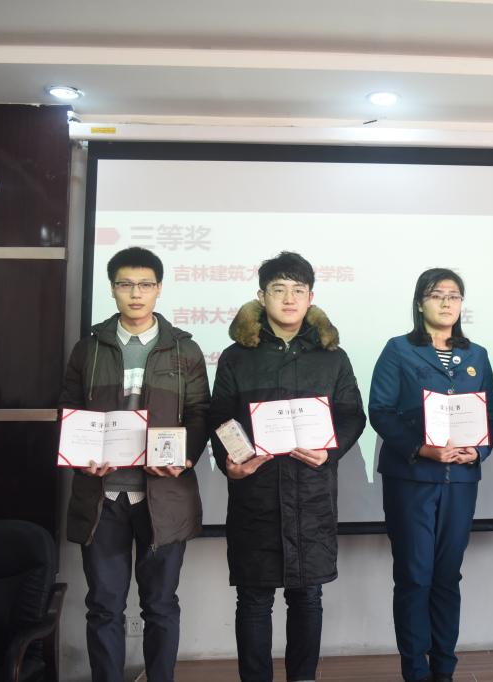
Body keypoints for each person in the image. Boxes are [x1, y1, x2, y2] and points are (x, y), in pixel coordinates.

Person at [208, 252, 366, 682]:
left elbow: (352, 415)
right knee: (254, 600)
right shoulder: (237, 356)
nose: (289, 298)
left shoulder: (332, 357)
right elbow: (220, 417)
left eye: (299, 290)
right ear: (262, 297)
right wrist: (231, 463)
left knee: (307, 596)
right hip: (256, 494)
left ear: (311, 296)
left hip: (311, 494)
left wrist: (330, 451)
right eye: (279, 289)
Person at [59, 246, 210, 682]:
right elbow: (69, 409)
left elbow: (200, 413)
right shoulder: (89, 348)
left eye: (145, 284)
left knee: (160, 605)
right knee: (103, 605)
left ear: (159, 289)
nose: (135, 293)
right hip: (102, 495)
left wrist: (184, 457)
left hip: (164, 495)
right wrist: (80, 458)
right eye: (125, 284)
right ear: (112, 289)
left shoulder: (184, 349)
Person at [369, 268, 493, 682]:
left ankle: (444, 670)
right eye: (436, 294)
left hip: (460, 482)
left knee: (447, 578)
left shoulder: (476, 355)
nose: (446, 302)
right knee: (414, 577)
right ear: (420, 302)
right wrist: (421, 448)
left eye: (454, 295)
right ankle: (415, 671)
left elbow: (492, 416)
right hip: (412, 481)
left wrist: (477, 450)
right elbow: (381, 411)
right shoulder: (398, 350)